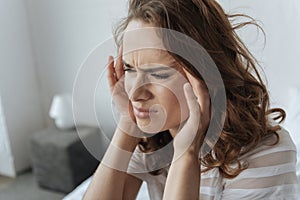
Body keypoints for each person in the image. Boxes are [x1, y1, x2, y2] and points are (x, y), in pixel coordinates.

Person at [84, 0, 298, 199]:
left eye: (159, 74)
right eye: (130, 69)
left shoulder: (266, 154)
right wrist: (128, 127)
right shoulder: (155, 137)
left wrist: (186, 153)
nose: (136, 94)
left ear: (206, 75)